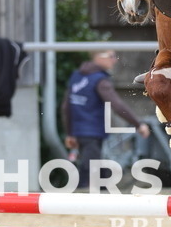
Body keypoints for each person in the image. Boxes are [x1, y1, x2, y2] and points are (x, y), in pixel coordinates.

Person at [62, 50, 151, 188]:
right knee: (90, 173)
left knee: (94, 169)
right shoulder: (100, 79)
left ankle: (99, 196)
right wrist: (138, 124)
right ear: (97, 57)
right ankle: (82, 203)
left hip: (80, 131)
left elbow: (66, 107)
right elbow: (116, 104)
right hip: (92, 130)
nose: (114, 60)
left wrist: (70, 133)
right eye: (111, 56)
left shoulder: (76, 77)